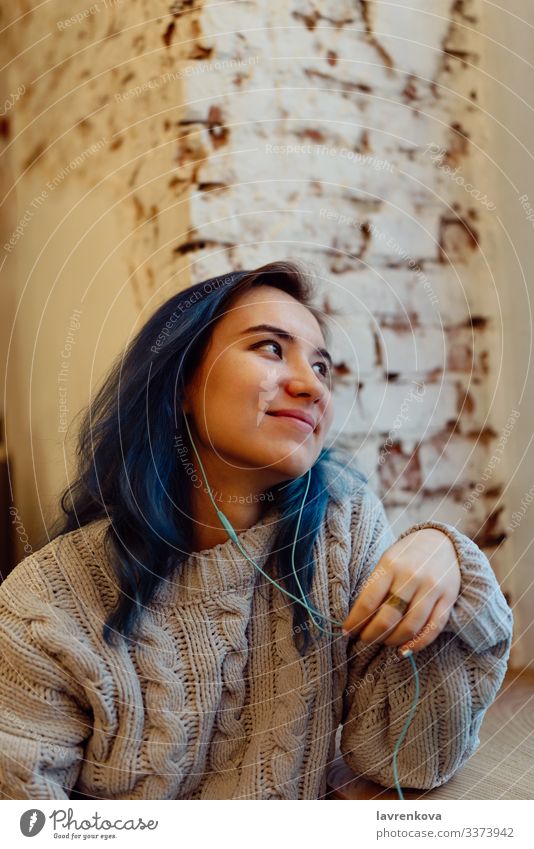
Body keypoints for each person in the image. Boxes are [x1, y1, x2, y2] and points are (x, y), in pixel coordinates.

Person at [0, 260, 513, 800]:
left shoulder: (342, 531)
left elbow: (410, 760)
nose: (310, 386)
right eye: (270, 347)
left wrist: (448, 558)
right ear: (180, 382)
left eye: (322, 368)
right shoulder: (48, 607)